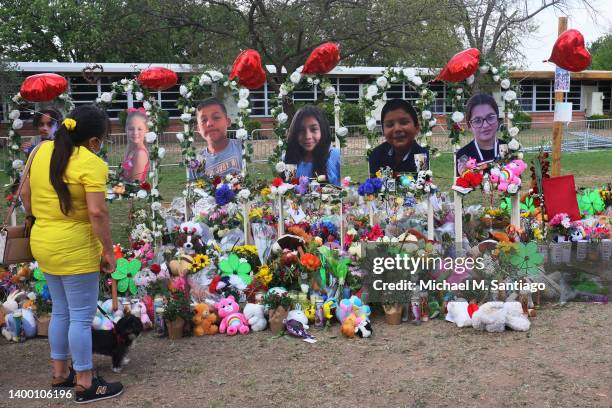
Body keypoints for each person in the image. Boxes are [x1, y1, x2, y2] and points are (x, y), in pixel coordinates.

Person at [20, 104, 124, 403]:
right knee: (80, 316)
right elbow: (97, 212)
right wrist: (108, 250)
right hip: (76, 247)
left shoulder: (40, 151)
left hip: (44, 242)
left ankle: (59, 373)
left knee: (62, 311)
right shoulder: (91, 164)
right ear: (94, 141)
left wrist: (41, 215)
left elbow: (25, 194)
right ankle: (85, 382)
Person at [368, 99, 429, 176]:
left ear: (416, 128)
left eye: (404, 122)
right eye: (390, 125)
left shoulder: (421, 157)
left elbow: (424, 185)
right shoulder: (376, 155)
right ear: (383, 130)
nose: (397, 129)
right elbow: (373, 184)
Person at [284, 105, 341, 185]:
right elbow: (289, 189)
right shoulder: (288, 158)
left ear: (322, 129)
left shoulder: (335, 156)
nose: (308, 136)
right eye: (301, 130)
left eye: (314, 129)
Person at [191, 97, 242, 179]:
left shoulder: (242, 148)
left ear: (228, 122)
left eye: (216, 117)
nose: (209, 123)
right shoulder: (197, 162)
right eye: (204, 120)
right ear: (198, 129)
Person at [455, 93, 506, 175]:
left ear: (497, 119)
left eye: (490, 117)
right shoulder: (463, 155)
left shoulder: (507, 148)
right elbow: (460, 186)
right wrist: (464, 176)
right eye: (477, 120)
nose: (485, 125)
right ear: (469, 125)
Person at [121, 108, 150, 183]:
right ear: (126, 129)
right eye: (131, 129)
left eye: (139, 129)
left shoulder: (140, 154)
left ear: (146, 130)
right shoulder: (131, 149)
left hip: (134, 193)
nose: (135, 133)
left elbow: (134, 184)